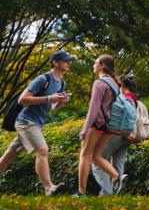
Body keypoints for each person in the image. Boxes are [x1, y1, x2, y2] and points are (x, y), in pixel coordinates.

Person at [0, 50, 73, 195]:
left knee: (8, 156)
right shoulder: (43, 79)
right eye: (65, 60)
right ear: (55, 62)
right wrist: (48, 98)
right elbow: (22, 99)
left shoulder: (62, 83)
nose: (68, 63)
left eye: (69, 60)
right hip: (25, 121)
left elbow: (53, 108)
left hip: (37, 123)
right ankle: (49, 188)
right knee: (42, 150)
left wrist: (62, 102)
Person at [78, 55, 126, 196]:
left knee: (84, 156)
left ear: (102, 65)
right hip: (108, 126)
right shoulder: (115, 84)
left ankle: (81, 193)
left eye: (95, 62)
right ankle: (117, 177)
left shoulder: (99, 83)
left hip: (96, 125)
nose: (93, 65)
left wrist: (85, 129)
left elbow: (93, 109)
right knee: (96, 156)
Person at [92, 75, 139, 195]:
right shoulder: (133, 99)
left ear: (122, 85)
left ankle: (106, 192)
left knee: (98, 160)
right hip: (127, 136)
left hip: (115, 134)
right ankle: (117, 190)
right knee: (118, 163)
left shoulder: (121, 97)